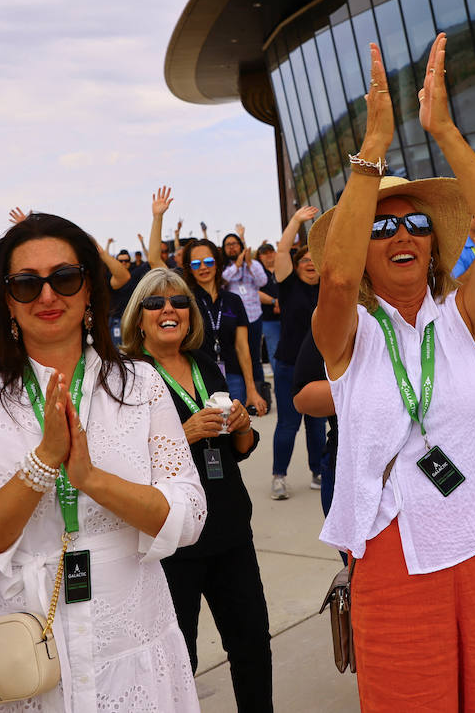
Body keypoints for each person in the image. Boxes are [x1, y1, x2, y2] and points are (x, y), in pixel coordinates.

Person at [312, 36, 475, 709]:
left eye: (414, 224)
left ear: (435, 242)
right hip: (394, 554)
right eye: (382, 228)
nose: (401, 235)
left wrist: (444, 130)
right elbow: (339, 277)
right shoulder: (348, 338)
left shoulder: (462, 322)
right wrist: (372, 150)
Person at [0, 212, 205, 712]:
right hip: (21, 651)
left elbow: (190, 515)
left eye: (64, 279)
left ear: (89, 290)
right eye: (26, 284)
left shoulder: (140, 385)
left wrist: (89, 478)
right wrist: (45, 462)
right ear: (6, 300)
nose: (47, 296)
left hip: (130, 640)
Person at [121, 267, 272, 712]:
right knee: (178, 655)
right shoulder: (128, 378)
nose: (169, 309)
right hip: (173, 540)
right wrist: (181, 434)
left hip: (229, 531)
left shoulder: (205, 363)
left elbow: (238, 451)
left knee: (252, 646)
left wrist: (242, 427)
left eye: (179, 301)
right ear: (139, 318)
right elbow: (121, 463)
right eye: (155, 303)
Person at [267, 206, 324, 501]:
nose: (310, 263)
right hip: (289, 365)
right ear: (297, 264)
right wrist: (296, 221)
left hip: (320, 368)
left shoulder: (328, 287)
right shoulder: (288, 287)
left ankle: (318, 472)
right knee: (289, 424)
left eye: (315, 259)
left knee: (317, 426)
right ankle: (279, 476)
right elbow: (282, 251)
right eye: (304, 260)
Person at [181, 238, 268, 416]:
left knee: (235, 433)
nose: (203, 267)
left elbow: (243, 348)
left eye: (209, 261)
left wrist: (251, 389)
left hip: (233, 376)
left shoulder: (233, 300)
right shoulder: (185, 302)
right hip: (198, 377)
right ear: (189, 268)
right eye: (196, 264)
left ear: (217, 263)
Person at [221, 227, 269, 394]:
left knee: (255, 358)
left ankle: (259, 394)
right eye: (228, 245)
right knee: (237, 357)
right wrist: (237, 265)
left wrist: (248, 264)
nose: (232, 247)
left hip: (254, 317)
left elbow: (263, 282)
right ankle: (241, 392)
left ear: (241, 246)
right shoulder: (223, 268)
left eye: (235, 243)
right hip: (233, 320)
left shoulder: (253, 264)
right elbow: (221, 282)